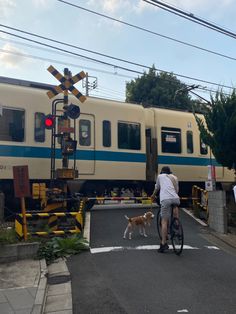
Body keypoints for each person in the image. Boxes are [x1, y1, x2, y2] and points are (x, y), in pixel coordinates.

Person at [151, 166, 180, 253]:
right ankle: (176, 222)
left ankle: (163, 243)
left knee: (164, 221)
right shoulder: (174, 177)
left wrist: (153, 195)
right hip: (175, 198)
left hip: (165, 199)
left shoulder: (160, 177)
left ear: (162, 172)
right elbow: (176, 190)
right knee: (175, 206)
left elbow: (157, 188)